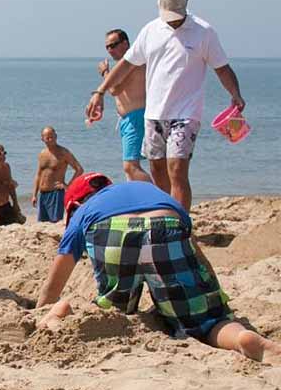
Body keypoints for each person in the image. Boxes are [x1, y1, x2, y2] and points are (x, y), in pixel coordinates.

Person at [36, 173, 280, 363]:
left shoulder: (84, 212)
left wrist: (42, 307)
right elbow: (196, 255)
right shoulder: (148, 190)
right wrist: (213, 298)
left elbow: (54, 281)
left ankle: (67, 311)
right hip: (166, 220)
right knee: (205, 320)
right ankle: (239, 338)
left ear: (75, 204)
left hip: (109, 230)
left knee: (111, 314)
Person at [86, 0, 244, 211]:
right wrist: (99, 92)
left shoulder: (204, 32)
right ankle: (167, 214)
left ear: (186, 6)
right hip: (153, 114)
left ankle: (181, 225)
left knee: (177, 169)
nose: (173, 21)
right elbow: (125, 65)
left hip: (186, 114)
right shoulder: (150, 31)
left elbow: (222, 68)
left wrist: (235, 93)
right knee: (158, 170)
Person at [96, 29, 152, 183]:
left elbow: (114, 89)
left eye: (113, 45)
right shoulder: (125, 64)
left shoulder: (133, 60)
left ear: (125, 43)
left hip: (136, 117)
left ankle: (154, 196)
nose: (110, 50)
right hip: (128, 119)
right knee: (131, 169)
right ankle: (139, 201)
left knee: (130, 166)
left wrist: (105, 72)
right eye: (107, 47)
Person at [32, 127, 83, 224]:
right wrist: (34, 194)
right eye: (47, 138)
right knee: (43, 223)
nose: (50, 139)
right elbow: (38, 175)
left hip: (56, 193)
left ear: (56, 137)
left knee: (55, 222)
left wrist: (68, 186)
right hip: (43, 193)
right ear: (42, 139)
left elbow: (79, 169)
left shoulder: (63, 152)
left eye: (52, 137)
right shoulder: (42, 153)